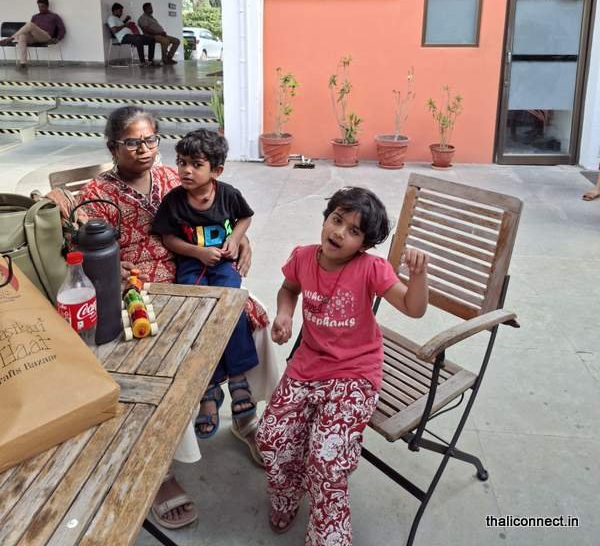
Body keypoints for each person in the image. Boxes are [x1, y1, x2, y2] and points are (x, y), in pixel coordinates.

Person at [47, 105, 270, 530]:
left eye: (150, 139)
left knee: (245, 310)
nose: (144, 149)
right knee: (167, 347)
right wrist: (113, 266)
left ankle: (243, 415)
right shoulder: (98, 193)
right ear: (113, 147)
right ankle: (160, 467)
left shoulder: (174, 177)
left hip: (194, 267)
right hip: (141, 281)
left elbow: (222, 216)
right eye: (132, 142)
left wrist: (243, 242)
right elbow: (81, 246)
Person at [256, 187, 429, 542]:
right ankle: (288, 495)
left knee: (326, 459)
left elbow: (413, 308)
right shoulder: (303, 257)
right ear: (326, 217)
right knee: (271, 437)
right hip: (308, 365)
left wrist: (418, 276)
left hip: (355, 374)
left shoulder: (371, 268)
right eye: (337, 220)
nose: (339, 232)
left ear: (364, 245)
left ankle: (328, 537)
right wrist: (285, 314)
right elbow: (289, 289)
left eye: (353, 231)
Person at [153, 129, 259, 438]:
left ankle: (238, 378)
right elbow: (168, 238)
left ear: (216, 170)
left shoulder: (227, 194)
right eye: (181, 162)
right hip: (191, 264)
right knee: (195, 316)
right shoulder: (174, 201)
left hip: (224, 263)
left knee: (232, 308)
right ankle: (209, 387)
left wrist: (234, 239)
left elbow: (244, 218)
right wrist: (197, 252)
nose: (186, 170)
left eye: (196, 164)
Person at [0, 0, 65, 68]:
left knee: (30, 25)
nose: (40, 8)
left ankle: (10, 38)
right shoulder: (35, 17)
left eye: (42, 6)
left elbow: (62, 29)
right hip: (34, 37)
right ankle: (23, 63)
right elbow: (29, 29)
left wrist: (58, 39)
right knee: (22, 36)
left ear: (47, 6)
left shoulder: (54, 16)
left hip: (46, 37)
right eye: (39, 7)